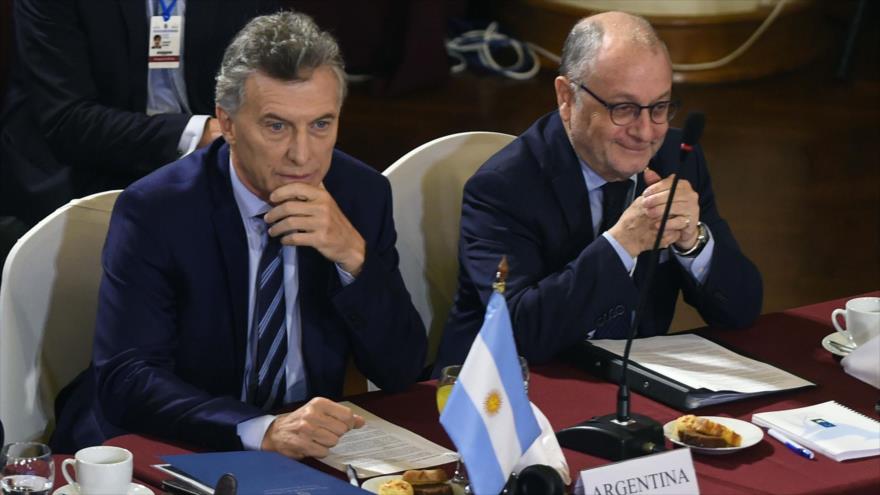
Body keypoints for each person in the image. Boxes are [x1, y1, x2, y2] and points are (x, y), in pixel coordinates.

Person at [49, 10, 427, 459]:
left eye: (321, 125)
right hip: (177, 442)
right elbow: (129, 379)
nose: (302, 155)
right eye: (276, 126)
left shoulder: (361, 195)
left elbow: (402, 369)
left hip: (306, 452)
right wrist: (261, 430)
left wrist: (353, 257)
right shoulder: (156, 210)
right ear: (226, 124)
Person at [434, 12, 762, 372]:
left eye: (660, 107)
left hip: (625, 381)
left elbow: (742, 309)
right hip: (503, 396)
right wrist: (622, 245)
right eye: (623, 108)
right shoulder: (502, 187)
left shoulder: (678, 157)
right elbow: (520, 332)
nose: (645, 131)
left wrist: (693, 242)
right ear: (566, 96)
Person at [0, 0, 275, 229]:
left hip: (207, 161)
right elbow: (68, 121)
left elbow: (271, 81)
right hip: (79, 163)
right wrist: (202, 133)